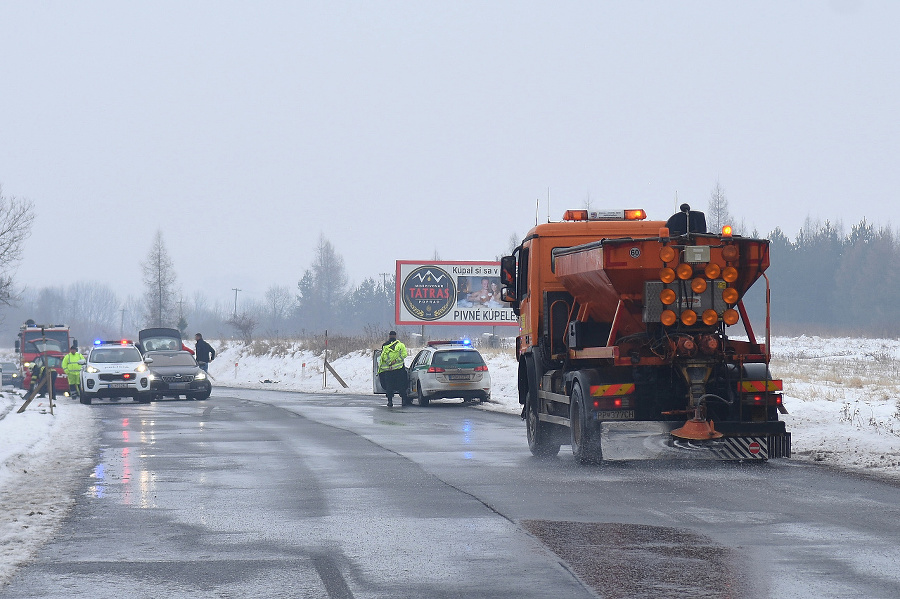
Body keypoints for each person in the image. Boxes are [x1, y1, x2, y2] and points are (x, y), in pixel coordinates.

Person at [378, 330, 409, 407]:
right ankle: (403, 401)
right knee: (401, 385)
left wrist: (389, 362)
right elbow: (404, 355)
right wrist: (396, 361)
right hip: (399, 369)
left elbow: (383, 356)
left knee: (389, 386)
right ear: (395, 336)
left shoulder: (385, 345)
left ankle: (390, 401)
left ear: (389, 336)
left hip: (389, 370)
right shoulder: (401, 345)